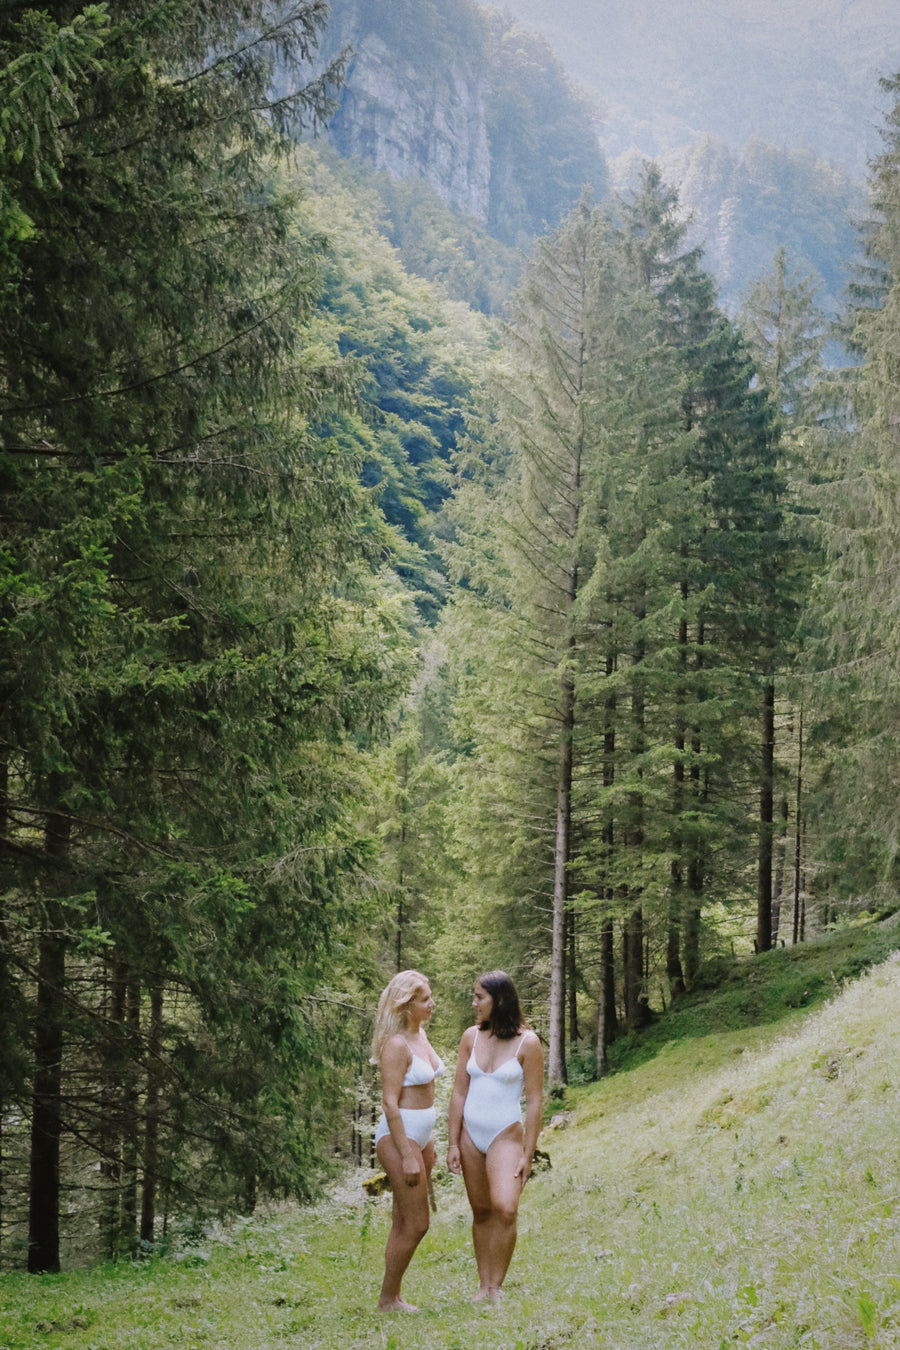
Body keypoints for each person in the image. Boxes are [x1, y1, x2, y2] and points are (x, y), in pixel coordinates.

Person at [446, 969, 544, 1303]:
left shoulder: (527, 1042)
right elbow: (459, 1092)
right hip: (470, 1136)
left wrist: (528, 1153)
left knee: (505, 1208)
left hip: (505, 1134)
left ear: (499, 1000)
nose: (474, 1003)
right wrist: (453, 1142)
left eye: (479, 997)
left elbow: (534, 1101)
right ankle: (484, 1285)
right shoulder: (470, 1037)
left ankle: (496, 1287)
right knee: (481, 1212)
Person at [370, 970, 445, 1312]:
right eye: (425, 999)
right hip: (398, 1138)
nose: (432, 1003)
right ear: (406, 1004)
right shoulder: (396, 1045)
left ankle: (393, 1298)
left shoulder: (420, 1034)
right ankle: (388, 1299)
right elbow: (389, 1102)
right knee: (418, 1223)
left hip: (421, 1137)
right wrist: (407, 1153)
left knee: (402, 1220)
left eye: (430, 996)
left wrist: (428, 1144)